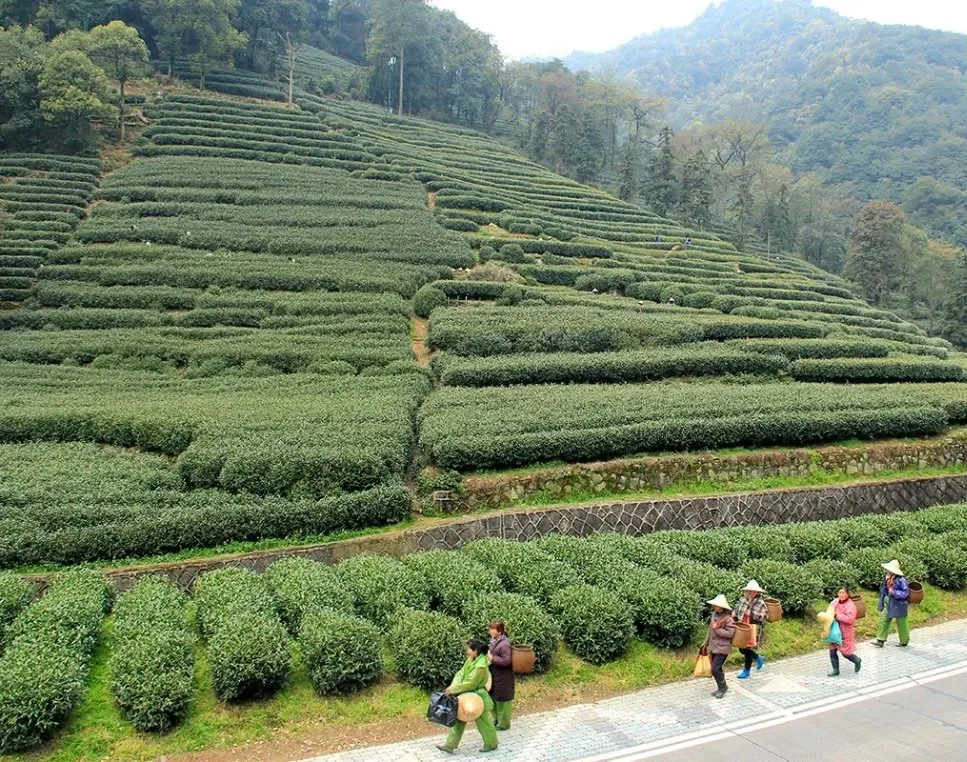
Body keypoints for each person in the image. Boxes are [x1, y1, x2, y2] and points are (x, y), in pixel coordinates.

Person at [436, 638, 499, 754]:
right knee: (460, 717)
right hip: (466, 694)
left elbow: (471, 683)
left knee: (484, 722)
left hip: (478, 697)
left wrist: (453, 689)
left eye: (469, 649)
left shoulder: (480, 666)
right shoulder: (471, 659)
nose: (467, 651)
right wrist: (453, 686)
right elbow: (461, 673)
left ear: (476, 651)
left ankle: (491, 743)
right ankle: (450, 745)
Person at [732, 580, 768, 679]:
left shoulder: (760, 602)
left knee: (747, 648)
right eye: (749, 591)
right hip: (742, 627)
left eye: (753, 591)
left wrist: (753, 614)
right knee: (741, 648)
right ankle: (758, 657)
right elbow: (736, 610)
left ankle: (746, 671)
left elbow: (765, 616)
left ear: (756, 592)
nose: (751, 593)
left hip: (752, 628)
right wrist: (733, 618)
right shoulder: (743, 600)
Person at [703, 594, 736, 699]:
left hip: (723, 648)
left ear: (722, 607)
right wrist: (705, 643)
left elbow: (730, 633)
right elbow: (710, 630)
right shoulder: (713, 615)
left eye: (717, 605)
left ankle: (722, 688)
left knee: (715, 669)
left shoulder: (728, 619)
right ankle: (722, 687)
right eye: (714, 605)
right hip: (713, 647)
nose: (715, 607)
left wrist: (718, 630)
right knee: (716, 669)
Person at [875, 559, 910, 648]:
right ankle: (880, 639)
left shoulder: (901, 580)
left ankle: (904, 640)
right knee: (884, 620)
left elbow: (905, 593)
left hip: (899, 604)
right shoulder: (888, 579)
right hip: (889, 602)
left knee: (902, 623)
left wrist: (894, 592)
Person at [828, 586, 862, 676]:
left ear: (847, 594)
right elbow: (829, 611)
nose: (841, 595)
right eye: (840, 593)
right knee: (832, 650)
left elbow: (850, 620)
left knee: (845, 652)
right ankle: (835, 670)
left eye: (843, 593)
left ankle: (856, 660)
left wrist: (837, 615)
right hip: (833, 630)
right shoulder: (835, 602)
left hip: (844, 633)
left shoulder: (850, 606)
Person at [487, 620, 514, 731]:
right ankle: (497, 719)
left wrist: (492, 658)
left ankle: (504, 724)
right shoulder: (493, 641)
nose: (490, 631)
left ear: (499, 631)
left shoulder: (505, 644)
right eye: (490, 629)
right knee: (494, 698)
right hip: (494, 675)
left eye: (493, 629)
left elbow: (507, 661)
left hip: (504, 677)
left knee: (503, 700)